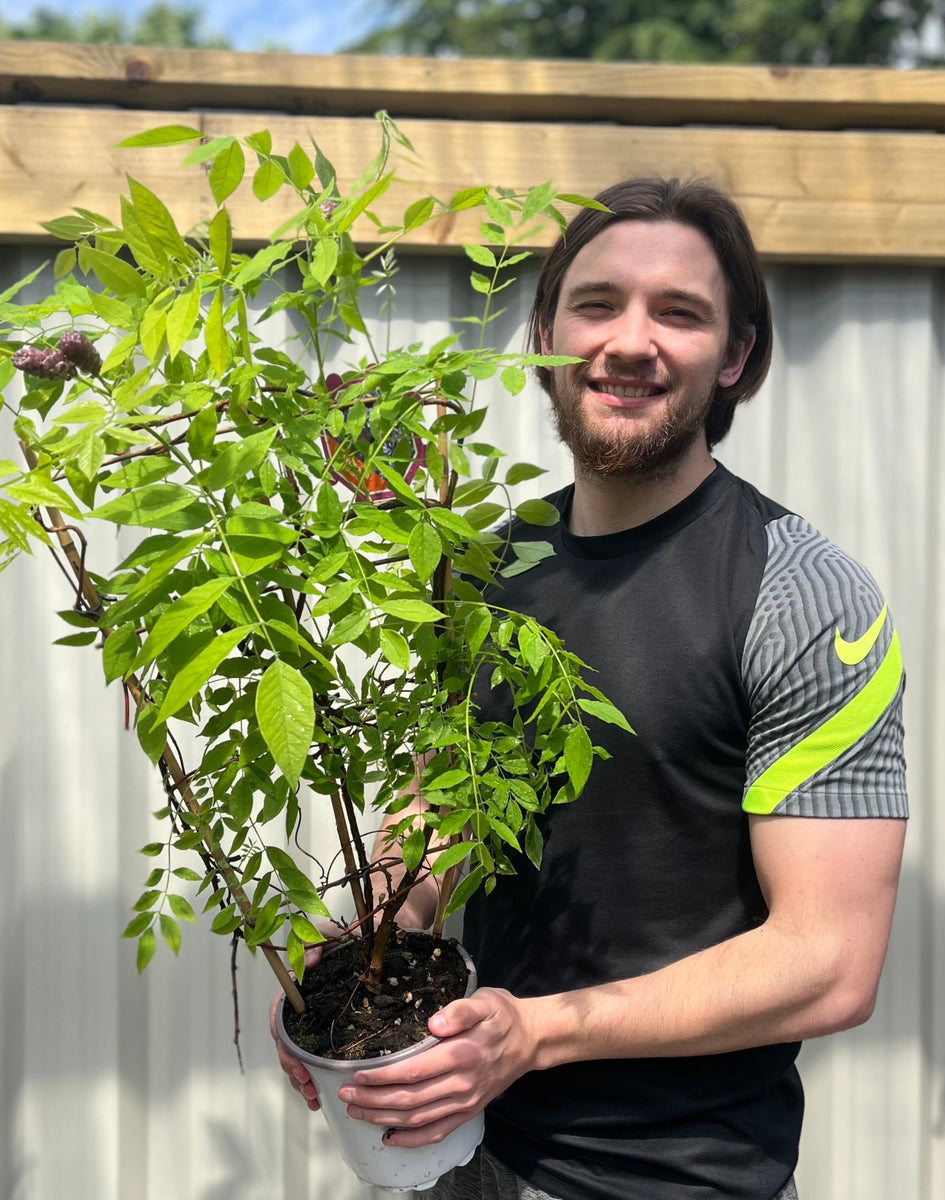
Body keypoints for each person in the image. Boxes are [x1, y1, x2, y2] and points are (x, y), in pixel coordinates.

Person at [274, 177, 908, 1200]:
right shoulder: (484, 569)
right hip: (465, 1158)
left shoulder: (802, 596)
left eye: (680, 313)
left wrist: (537, 1032)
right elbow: (439, 815)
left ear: (735, 356)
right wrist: (360, 955)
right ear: (547, 332)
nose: (630, 340)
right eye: (599, 303)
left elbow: (830, 960)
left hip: (684, 1179)